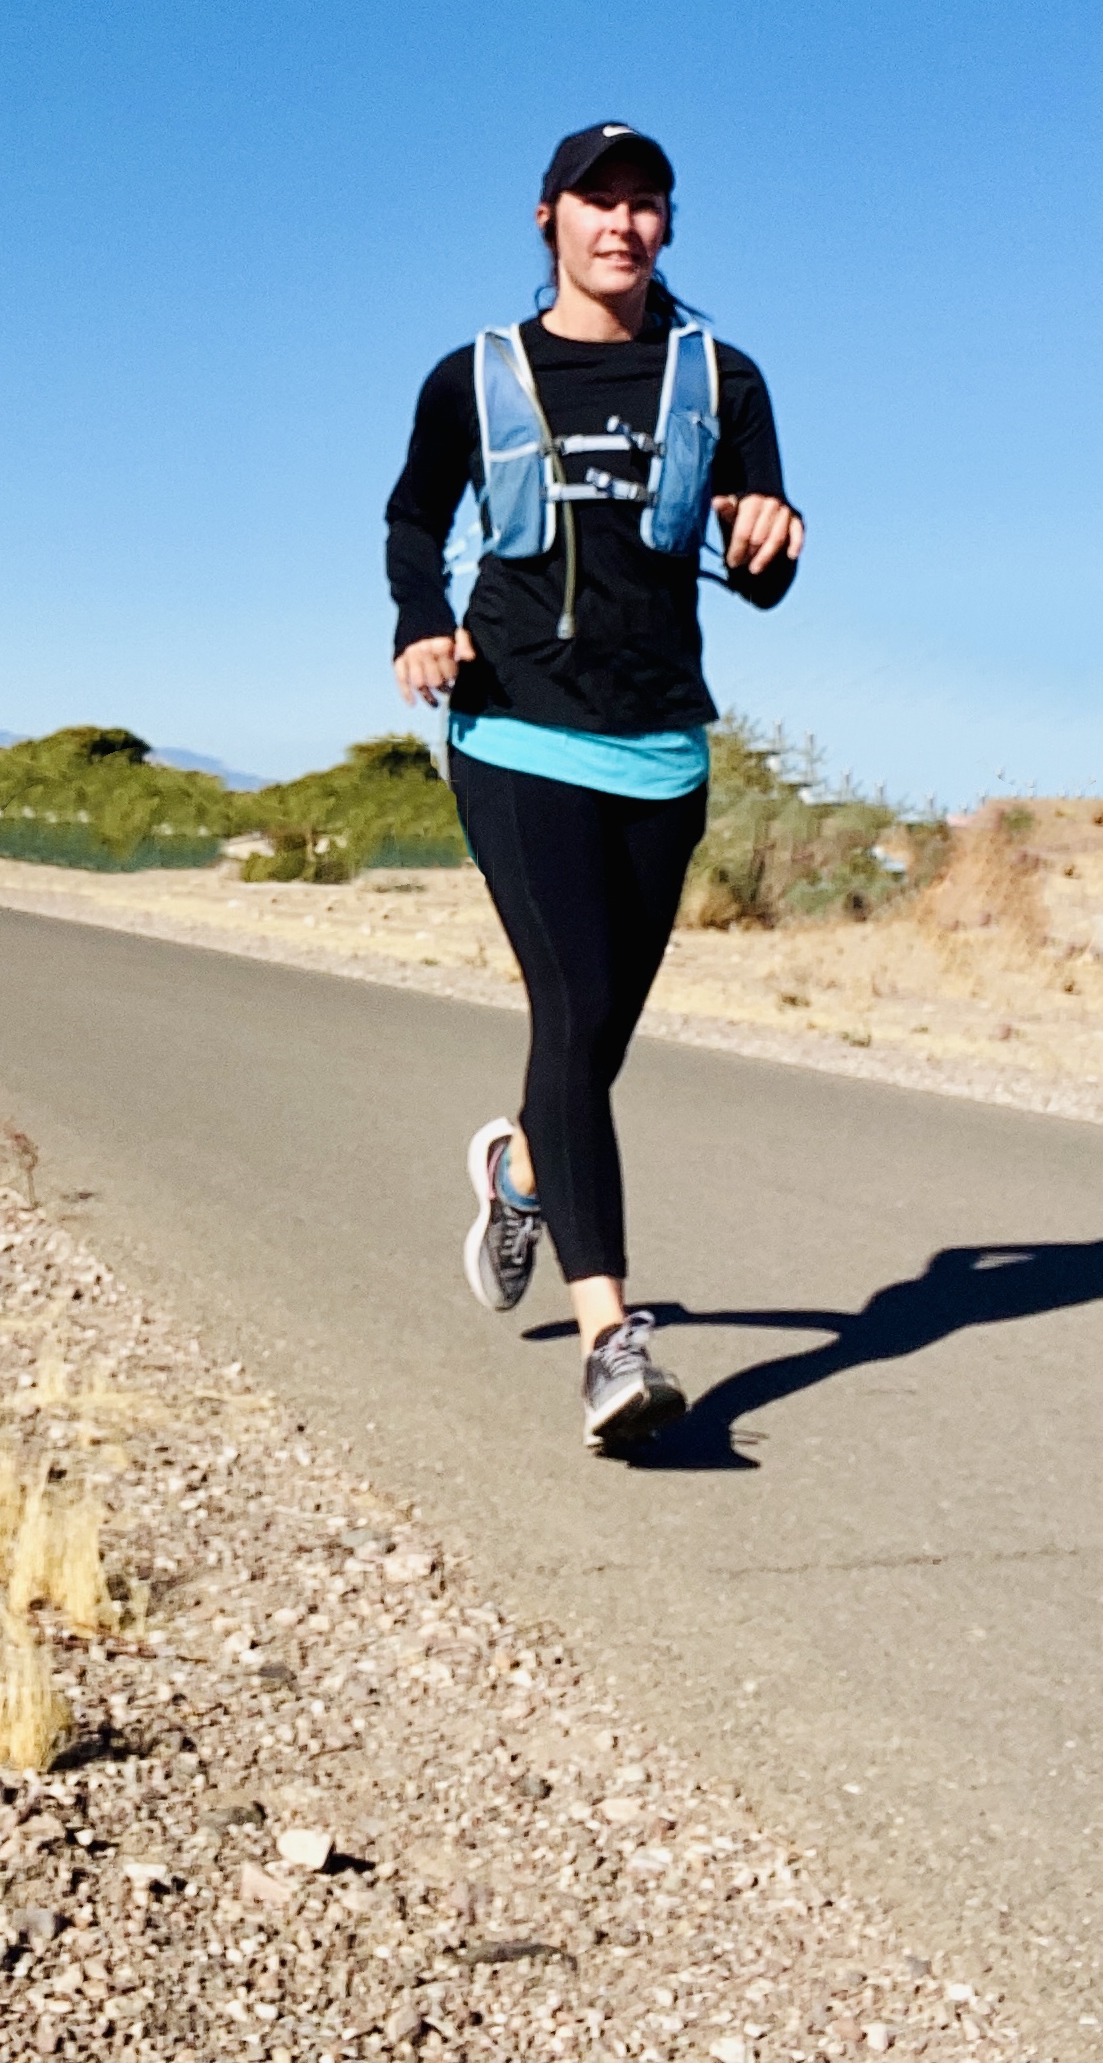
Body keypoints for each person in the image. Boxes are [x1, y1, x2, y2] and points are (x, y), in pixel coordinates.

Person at [385, 122, 804, 1452]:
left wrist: (774, 539)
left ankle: (517, 1168)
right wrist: (420, 616)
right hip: (515, 734)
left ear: (668, 227)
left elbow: (763, 559)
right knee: (568, 1009)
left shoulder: (721, 378)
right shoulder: (478, 375)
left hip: (662, 747)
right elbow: (412, 514)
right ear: (548, 217)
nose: (624, 225)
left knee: (601, 1034)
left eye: (648, 205)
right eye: (599, 201)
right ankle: (612, 1343)